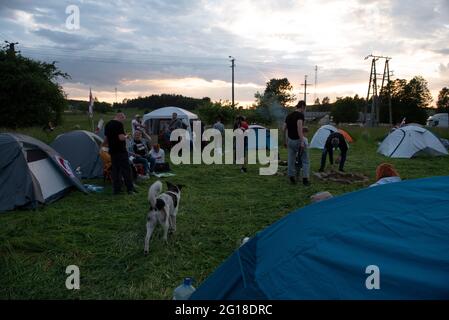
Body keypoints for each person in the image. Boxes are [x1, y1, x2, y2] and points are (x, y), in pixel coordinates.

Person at [104, 112, 136, 195]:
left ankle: (117, 190)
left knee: (116, 171)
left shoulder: (107, 124)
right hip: (121, 151)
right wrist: (126, 136)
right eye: (123, 119)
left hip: (112, 151)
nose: (123, 122)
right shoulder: (119, 124)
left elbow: (106, 139)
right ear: (120, 117)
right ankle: (130, 189)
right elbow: (121, 138)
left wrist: (102, 146)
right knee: (126, 170)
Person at [284, 100, 310, 185]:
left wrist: (285, 140)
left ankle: (291, 177)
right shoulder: (300, 115)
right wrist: (302, 141)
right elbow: (299, 128)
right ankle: (305, 179)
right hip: (298, 141)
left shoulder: (288, 116)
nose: (304, 110)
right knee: (305, 160)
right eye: (304, 108)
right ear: (302, 106)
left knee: (291, 160)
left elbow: (283, 128)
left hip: (290, 141)